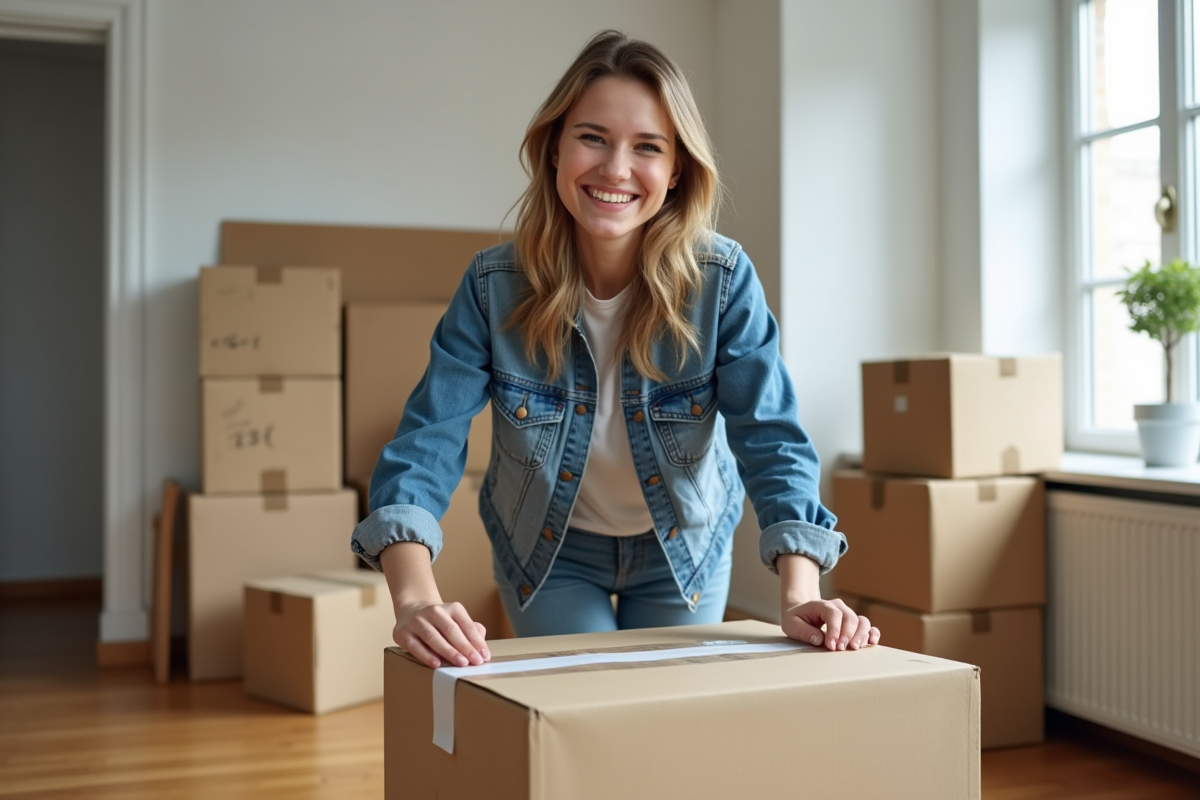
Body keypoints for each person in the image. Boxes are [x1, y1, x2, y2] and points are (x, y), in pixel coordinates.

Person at [351, 29, 880, 669]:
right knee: (577, 704)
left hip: (682, 546)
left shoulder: (722, 282)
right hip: (549, 549)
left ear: (677, 169)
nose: (616, 169)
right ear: (555, 148)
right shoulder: (493, 286)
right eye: (593, 137)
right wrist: (413, 598)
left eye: (647, 147)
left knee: (660, 717)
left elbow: (771, 435)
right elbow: (427, 440)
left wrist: (800, 591)